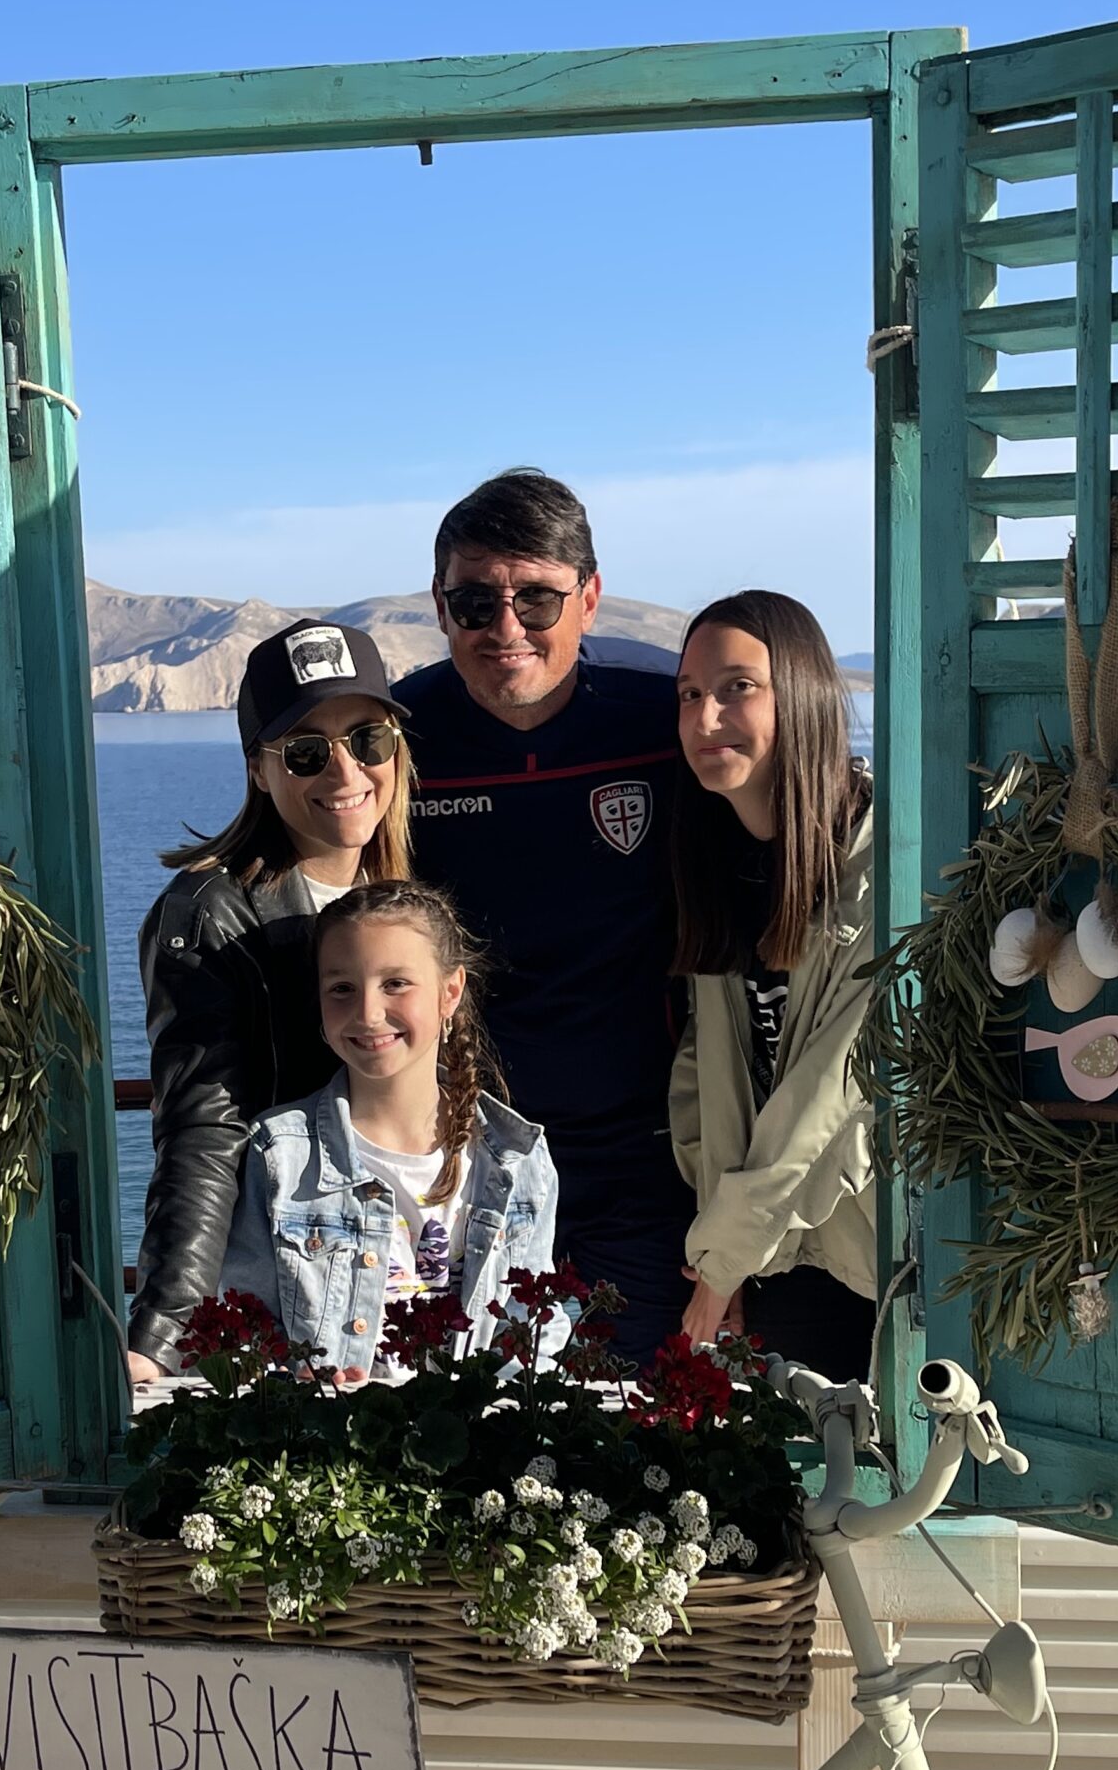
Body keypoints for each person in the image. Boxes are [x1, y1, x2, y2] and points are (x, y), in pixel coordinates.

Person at [395, 469, 688, 1366]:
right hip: (462, 1160)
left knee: (634, 1416)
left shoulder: (662, 720)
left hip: (643, 1163)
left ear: (589, 599)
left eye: (537, 599)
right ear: (440, 605)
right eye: (475, 602)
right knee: (457, 1419)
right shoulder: (399, 739)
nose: (506, 628)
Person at [128, 620, 413, 1380]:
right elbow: (204, 1129)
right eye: (306, 752)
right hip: (294, 1286)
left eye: (368, 739)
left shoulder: (408, 895)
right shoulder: (208, 916)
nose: (346, 770)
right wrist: (162, 1333)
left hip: (409, 1265)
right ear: (259, 769)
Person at [221, 879, 557, 1378]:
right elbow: (248, 1328)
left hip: (481, 1425)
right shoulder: (280, 1155)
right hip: (335, 1427)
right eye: (342, 989)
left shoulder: (518, 1156)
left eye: (395, 983)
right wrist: (299, 1387)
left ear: (450, 992)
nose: (368, 1013)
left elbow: (536, 1330)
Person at [668, 590, 878, 1381]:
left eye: (737, 689)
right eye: (690, 694)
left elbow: (834, 1093)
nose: (706, 717)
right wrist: (727, 1253)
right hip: (773, 1260)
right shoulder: (717, 866)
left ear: (803, 694)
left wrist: (723, 1262)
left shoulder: (880, 868)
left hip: (875, 1255)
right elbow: (709, 1078)